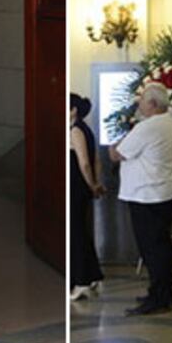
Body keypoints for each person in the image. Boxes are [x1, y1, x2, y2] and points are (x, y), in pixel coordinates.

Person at [109, 83, 172, 316]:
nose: (138, 104)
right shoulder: (170, 122)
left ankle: (158, 297)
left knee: (152, 248)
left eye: (141, 100)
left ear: (152, 104)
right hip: (163, 191)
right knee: (161, 245)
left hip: (146, 195)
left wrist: (115, 143)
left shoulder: (148, 127)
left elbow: (117, 153)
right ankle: (163, 292)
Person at [69, 93, 105, 301]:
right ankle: (92, 275)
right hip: (83, 187)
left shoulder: (75, 130)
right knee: (81, 231)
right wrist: (96, 184)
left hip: (77, 187)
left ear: (73, 110)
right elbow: (96, 161)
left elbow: (84, 162)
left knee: (76, 234)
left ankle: (81, 280)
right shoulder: (86, 129)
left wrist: (92, 185)